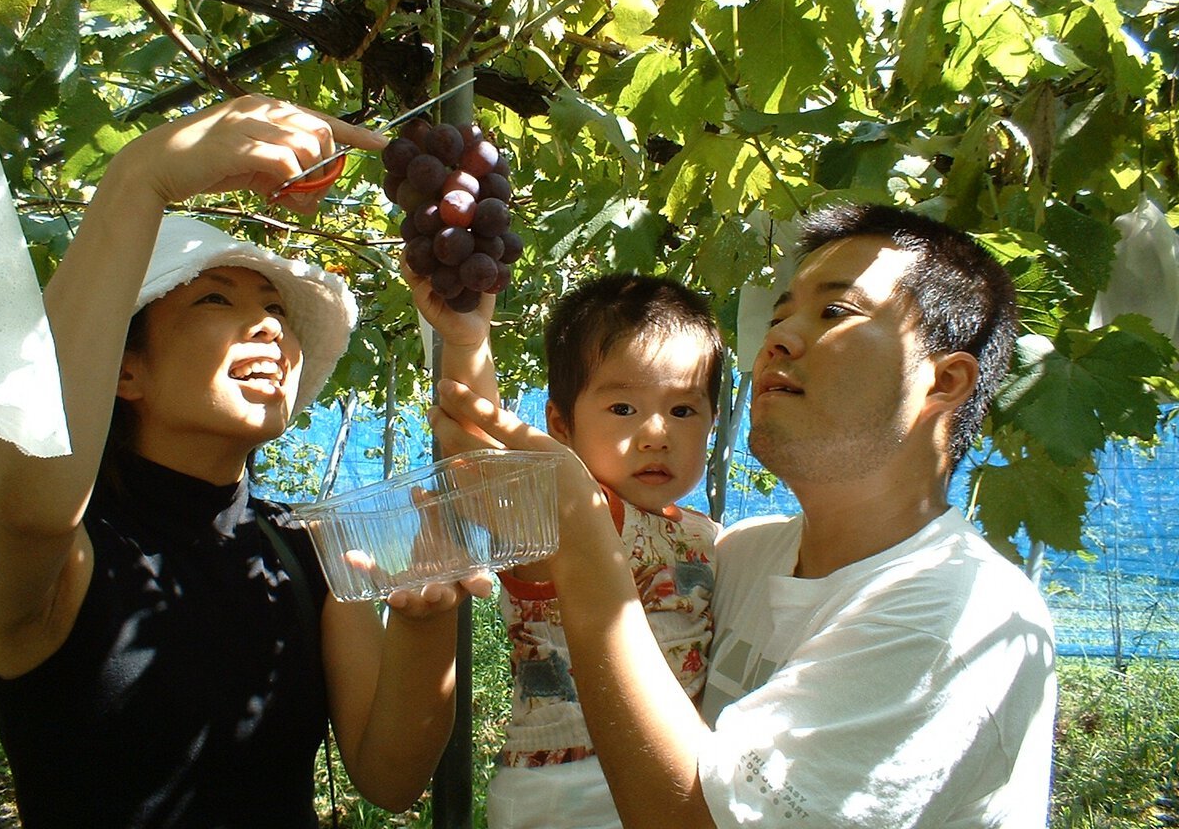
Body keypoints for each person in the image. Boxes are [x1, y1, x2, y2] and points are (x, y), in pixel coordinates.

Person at [430, 203, 1058, 828]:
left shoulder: (953, 622)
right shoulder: (738, 555)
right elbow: (487, 464)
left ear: (945, 381)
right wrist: (466, 338)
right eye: (780, 314)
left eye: (834, 311)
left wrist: (584, 538)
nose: (777, 338)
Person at [0, 95, 489, 829]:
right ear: (124, 371)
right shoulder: (66, 554)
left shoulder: (301, 545)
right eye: (216, 300)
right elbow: (35, 487)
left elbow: (390, 777)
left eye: (276, 310)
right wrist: (138, 179)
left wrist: (424, 624)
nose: (271, 330)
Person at [409, 268, 725, 829]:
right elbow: (479, 460)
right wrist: (467, 342)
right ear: (560, 424)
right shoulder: (567, 516)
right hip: (565, 789)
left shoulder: (709, 536)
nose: (657, 432)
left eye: (683, 410)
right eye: (623, 409)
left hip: (676, 774)